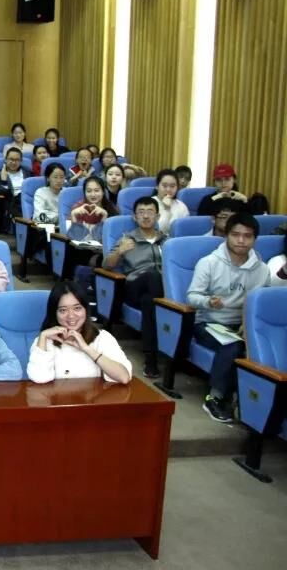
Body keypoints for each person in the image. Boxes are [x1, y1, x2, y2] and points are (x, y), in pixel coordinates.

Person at [187, 213, 271, 423]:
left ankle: (254, 405)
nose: (241, 240)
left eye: (247, 236)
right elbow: (192, 296)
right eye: (236, 235)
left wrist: (246, 324)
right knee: (233, 345)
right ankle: (214, 397)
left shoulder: (262, 269)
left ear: (255, 239)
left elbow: (261, 304)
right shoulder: (209, 262)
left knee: (262, 347)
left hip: (242, 324)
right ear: (227, 235)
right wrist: (208, 301)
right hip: (209, 322)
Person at [102, 196, 167, 378]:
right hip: (133, 287)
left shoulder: (166, 241)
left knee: (149, 303)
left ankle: (151, 360)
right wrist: (120, 251)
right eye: (141, 212)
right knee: (153, 276)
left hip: (157, 292)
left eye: (150, 212)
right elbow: (106, 265)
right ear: (134, 217)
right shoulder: (127, 239)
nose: (145, 216)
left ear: (157, 216)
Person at [27, 281, 132, 384]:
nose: (71, 315)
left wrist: (86, 349)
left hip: (93, 396)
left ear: (86, 309)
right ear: (54, 313)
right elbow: (39, 378)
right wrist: (43, 336)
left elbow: (123, 377)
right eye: (63, 310)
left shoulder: (102, 337)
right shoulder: (45, 340)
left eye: (77, 308)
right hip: (58, 396)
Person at [0, 147, 27, 226]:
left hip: (25, 201)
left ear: (21, 161)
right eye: (11, 159)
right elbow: (1, 193)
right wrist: (3, 181)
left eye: (17, 160)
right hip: (11, 203)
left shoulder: (27, 173)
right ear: (6, 160)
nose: (14, 162)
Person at [152, 168, 188, 234]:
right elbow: (156, 232)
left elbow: (185, 231)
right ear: (157, 186)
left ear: (177, 188)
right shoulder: (149, 204)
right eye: (164, 186)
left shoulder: (182, 206)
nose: (168, 189)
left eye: (172, 186)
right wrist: (167, 209)